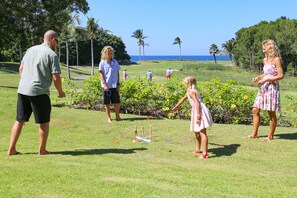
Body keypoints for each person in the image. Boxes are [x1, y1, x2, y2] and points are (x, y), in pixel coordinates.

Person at [7, 30, 65, 156]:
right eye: (57, 41)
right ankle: (42, 150)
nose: (57, 44)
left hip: (23, 90)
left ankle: (11, 150)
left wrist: (26, 81)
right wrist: (61, 92)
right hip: (39, 92)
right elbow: (55, 76)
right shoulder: (52, 55)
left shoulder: (30, 50)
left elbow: (21, 68)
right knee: (44, 122)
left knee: (19, 120)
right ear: (53, 40)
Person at [247, 39, 284, 142]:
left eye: (265, 45)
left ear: (271, 47)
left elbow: (281, 75)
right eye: (262, 45)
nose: (263, 47)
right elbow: (266, 73)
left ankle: (270, 136)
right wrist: (258, 77)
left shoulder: (276, 59)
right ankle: (254, 134)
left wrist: (266, 79)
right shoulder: (265, 60)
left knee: (271, 113)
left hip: (272, 88)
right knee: (255, 110)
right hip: (263, 87)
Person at [173, 76, 213, 159]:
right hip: (196, 111)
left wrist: (199, 117)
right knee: (196, 131)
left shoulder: (192, 92)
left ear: (188, 84)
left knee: (202, 132)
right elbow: (183, 99)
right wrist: (176, 107)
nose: (183, 84)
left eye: (185, 83)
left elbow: (197, 103)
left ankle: (205, 154)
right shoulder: (189, 92)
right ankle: (198, 149)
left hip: (200, 111)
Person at [99, 46, 121, 122]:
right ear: (104, 53)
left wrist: (118, 84)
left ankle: (117, 117)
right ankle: (109, 117)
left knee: (117, 102)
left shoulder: (115, 62)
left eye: (111, 52)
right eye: (107, 52)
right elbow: (101, 74)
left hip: (114, 85)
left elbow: (117, 73)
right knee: (107, 103)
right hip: (106, 86)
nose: (109, 54)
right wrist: (104, 84)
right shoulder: (102, 63)